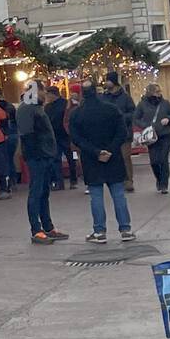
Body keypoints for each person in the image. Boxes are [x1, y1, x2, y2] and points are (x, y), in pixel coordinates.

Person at [69, 81, 134, 244]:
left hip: (91, 159)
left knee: (96, 196)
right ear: (96, 91)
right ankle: (126, 229)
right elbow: (122, 133)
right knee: (118, 194)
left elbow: (76, 138)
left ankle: (99, 231)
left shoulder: (77, 114)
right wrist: (110, 150)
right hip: (114, 158)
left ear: (83, 94)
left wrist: (96, 152)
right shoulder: (111, 109)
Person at [15, 81, 67, 245]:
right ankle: (36, 229)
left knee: (44, 192)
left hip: (45, 155)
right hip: (37, 156)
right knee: (36, 192)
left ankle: (47, 226)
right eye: (43, 90)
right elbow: (27, 135)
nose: (46, 94)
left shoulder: (36, 107)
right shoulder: (26, 109)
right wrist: (37, 154)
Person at [134, 82, 170, 194]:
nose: (159, 93)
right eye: (157, 91)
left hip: (165, 135)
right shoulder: (142, 104)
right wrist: (145, 125)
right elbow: (135, 118)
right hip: (151, 137)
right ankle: (159, 179)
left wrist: (168, 119)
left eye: (160, 91)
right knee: (154, 161)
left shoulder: (165, 104)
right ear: (150, 92)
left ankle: (164, 184)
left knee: (163, 159)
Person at [101, 71, 137, 191]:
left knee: (125, 157)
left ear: (114, 82)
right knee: (113, 158)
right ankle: (117, 180)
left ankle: (128, 181)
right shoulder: (104, 97)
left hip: (124, 133)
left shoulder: (125, 97)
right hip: (108, 134)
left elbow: (133, 113)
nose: (106, 82)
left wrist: (121, 116)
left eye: (108, 80)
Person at [44, 85, 75, 191]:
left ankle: (73, 180)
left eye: (48, 94)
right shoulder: (47, 107)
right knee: (56, 159)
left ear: (53, 94)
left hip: (66, 135)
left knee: (71, 158)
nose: (46, 97)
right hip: (54, 136)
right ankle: (59, 182)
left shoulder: (66, 104)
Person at [0, 88, 20, 186]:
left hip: (4, 134)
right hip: (13, 134)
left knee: (4, 159)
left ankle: (7, 183)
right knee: (10, 158)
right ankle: (13, 180)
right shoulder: (10, 106)